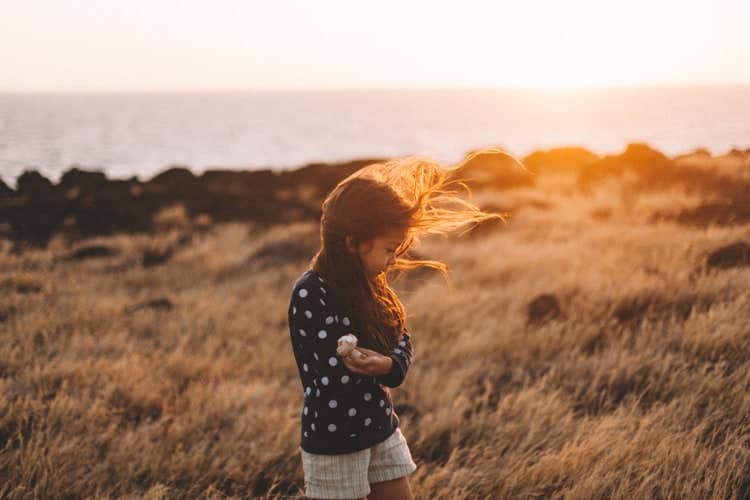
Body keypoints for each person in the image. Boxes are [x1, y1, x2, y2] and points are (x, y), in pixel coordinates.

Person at [287, 149, 523, 499]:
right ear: (353, 243)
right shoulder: (311, 292)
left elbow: (400, 338)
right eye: (388, 249)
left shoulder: (371, 284)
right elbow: (329, 374)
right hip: (334, 440)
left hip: (380, 427)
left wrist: (387, 364)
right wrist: (367, 364)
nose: (394, 259)